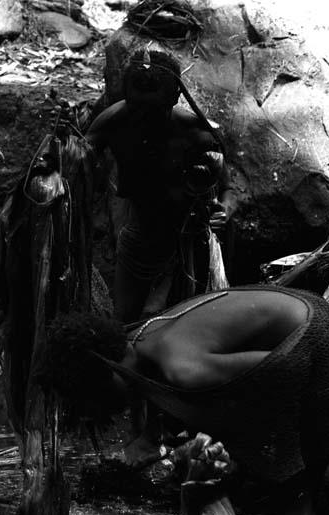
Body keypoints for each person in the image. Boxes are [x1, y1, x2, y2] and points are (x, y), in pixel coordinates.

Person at [43, 285, 329, 515]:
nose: (108, 411)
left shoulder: (184, 368)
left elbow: (282, 372)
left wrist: (250, 455)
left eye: (97, 400)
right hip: (307, 320)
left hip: (319, 346)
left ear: (105, 373)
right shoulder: (143, 338)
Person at [86, 47, 236, 323]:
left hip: (189, 242)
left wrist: (224, 210)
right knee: (126, 321)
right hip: (139, 240)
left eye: (154, 110)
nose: (145, 118)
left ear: (175, 98)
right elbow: (78, 162)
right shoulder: (113, 123)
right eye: (137, 108)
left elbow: (228, 189)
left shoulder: (195, 133)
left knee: (183, 323)